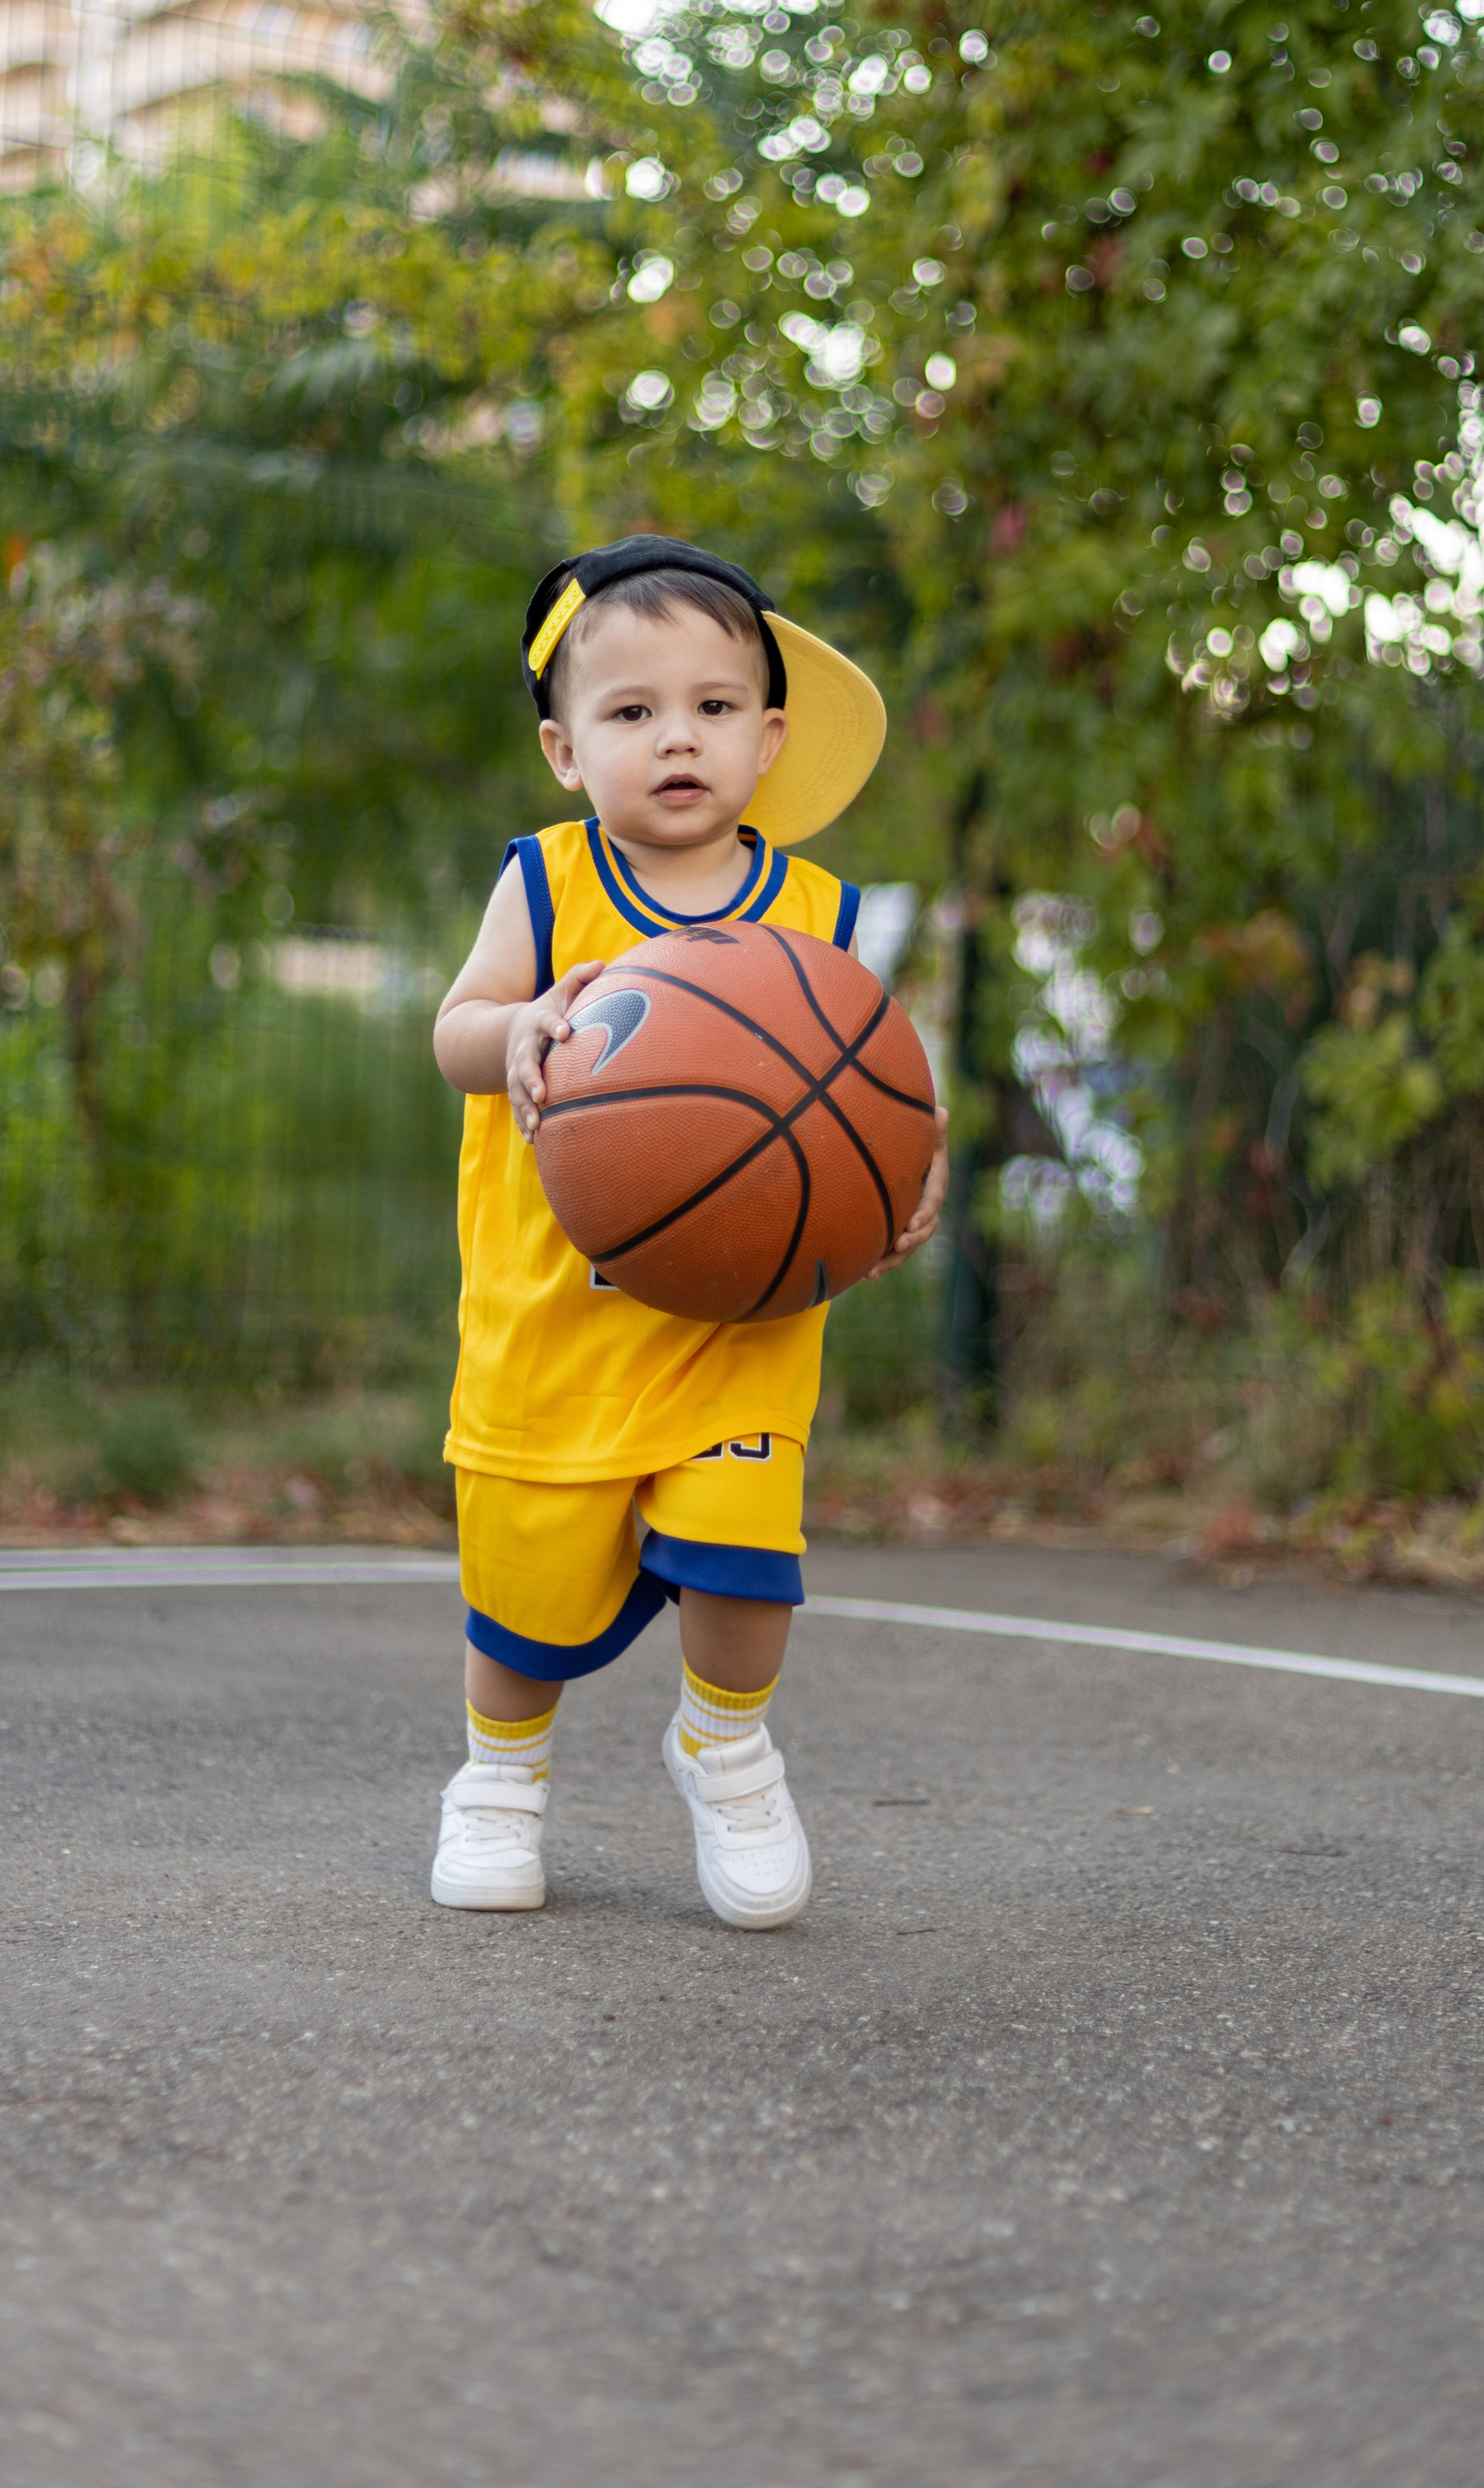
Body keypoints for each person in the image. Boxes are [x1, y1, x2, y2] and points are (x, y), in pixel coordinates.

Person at [429, 534, 947, 1928]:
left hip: (740, 1329)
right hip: (557, 1332)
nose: (678, 740)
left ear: (771, 739)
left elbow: (879, 1090)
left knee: (743, 1558)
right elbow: (455, 1031)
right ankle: (501, 1774)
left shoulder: (822, 915)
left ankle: (727, 1743)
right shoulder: (546, 886)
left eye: (715, 709)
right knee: (524, 1606)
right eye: (632, 712)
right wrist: (520, 1027)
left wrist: (903, 1179)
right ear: (562, 748)